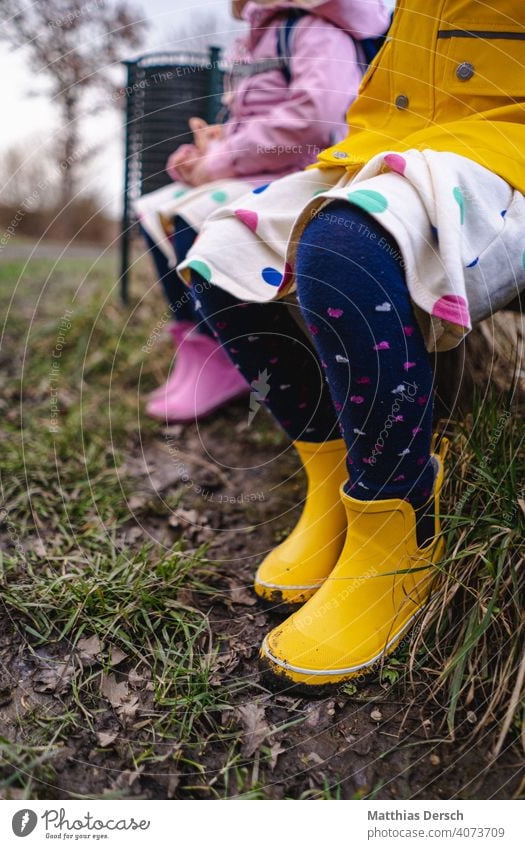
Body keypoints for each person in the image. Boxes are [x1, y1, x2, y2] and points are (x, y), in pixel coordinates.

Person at [177, 0, 525, 691]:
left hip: (501, 149)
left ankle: (399, 518)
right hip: (380, 143)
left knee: (346, 245)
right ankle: (332, 478)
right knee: (220, 248)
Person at [135, 0, 390, 422]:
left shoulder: (314, 29)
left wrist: (219, 162)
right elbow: (245, 123)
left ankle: (228, 347)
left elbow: (317, 117)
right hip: (252, 170)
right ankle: (201, 345)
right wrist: (200, 155)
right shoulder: (256, 40)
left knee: (192, 218)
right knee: (151, 210)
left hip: (304, 172)